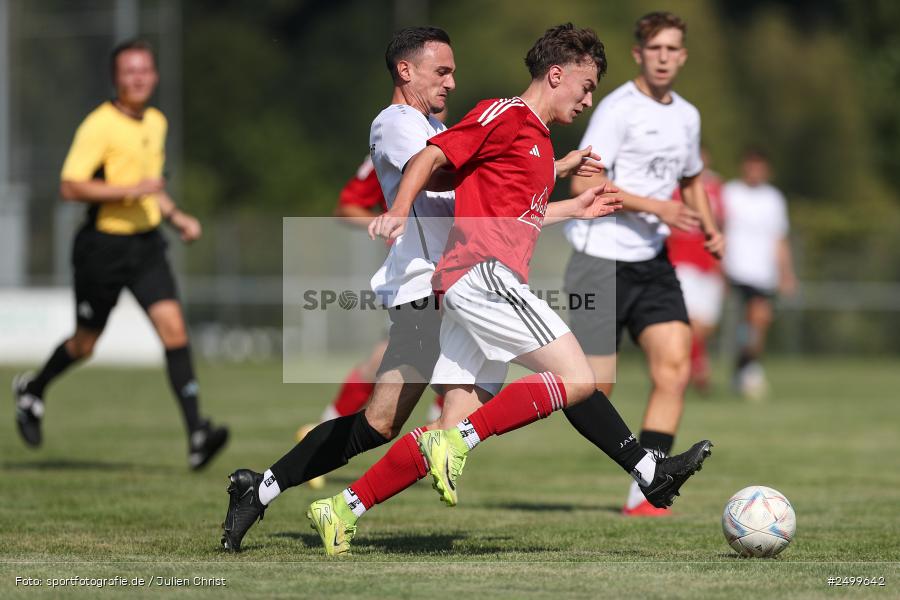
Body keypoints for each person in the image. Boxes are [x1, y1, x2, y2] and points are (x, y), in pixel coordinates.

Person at [220, 25, 649, 553]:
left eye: (452, 72)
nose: (450, 81)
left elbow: (496, 206)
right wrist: (523, 166)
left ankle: (280, 494)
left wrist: (549, 179)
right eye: (440, 71)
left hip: (454, 281)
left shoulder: (441, 123)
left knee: (406, 424)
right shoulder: (396, 123)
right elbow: (446, 182)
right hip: (431, 282)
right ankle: (645, 466)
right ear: (406, 71)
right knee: (401, 422)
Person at [303, 22, 713, 556]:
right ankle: (644, 468)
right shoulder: (506, 113)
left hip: (480, 278)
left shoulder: (540, 142)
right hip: (479, 275)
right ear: (556, 74)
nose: (589, 99)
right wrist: (399, 209)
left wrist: (572, 206)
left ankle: (341, 509)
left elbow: (514, 216)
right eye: (585, 86)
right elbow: (431, 156)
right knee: (578, 378)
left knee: (454, 419)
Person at [11, 40, 228, 470]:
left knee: (175, 332)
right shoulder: (99, 126)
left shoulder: (157, 122)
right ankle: (33, 388)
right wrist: (127, 191)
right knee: (85, 343)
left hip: (146, 245)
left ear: (155, 76)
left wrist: (176, 216)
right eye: (129, 71)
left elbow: (152, 186)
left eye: (145, 70)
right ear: (116, 78)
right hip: (102, 248)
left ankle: (197, 433)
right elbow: (70, 186)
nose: (138, 78)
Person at [563, 12, 725, 517]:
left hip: (651, 262)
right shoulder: (617, 110)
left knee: (674, 367)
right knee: (588, 390)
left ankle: (646, 491)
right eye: (654, 48)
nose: (662, 56)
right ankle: (468, 428)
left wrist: (709, 223)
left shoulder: (688, 116)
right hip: (598, 258)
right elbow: (583, 185)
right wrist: (659, 207)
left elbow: (692, 177)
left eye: (672, 49)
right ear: (638, 54)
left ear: (683, 56)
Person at [722, 147, 796, 400]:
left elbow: (779, 238)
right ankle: (748, 368)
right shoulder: (730, 193)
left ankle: (744, 365)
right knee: (752, 318)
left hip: (764, 272)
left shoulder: (773, 199)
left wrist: (787, 273)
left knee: (757, 323)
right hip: (736, 268)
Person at [666, 148, 725, 393]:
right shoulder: (671, 185)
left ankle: (685, 363)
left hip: (708, 263)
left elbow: (721, 224)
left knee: (706, 326)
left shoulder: (716, 187)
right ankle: (698, 367)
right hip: (682, 261)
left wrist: (721, 261)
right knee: (690, 321)